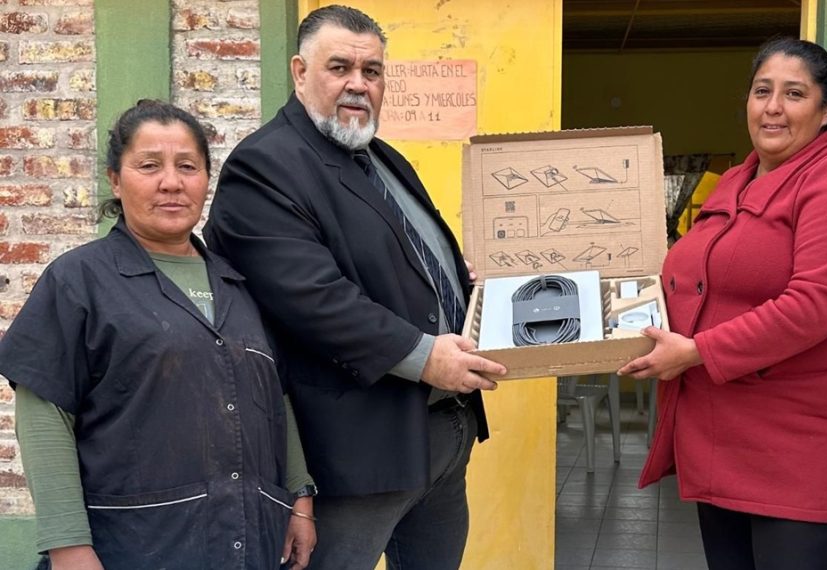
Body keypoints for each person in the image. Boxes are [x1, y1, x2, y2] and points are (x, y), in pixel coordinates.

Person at [203, 5, 507, 569]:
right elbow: (314, 298)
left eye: (372, 72)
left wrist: (451, 278)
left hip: (443, 435)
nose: (358, 85)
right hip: (353, 456)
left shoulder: (382, 157)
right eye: (339, 67)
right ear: (300, 73)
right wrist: (425, 357)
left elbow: (395, 259)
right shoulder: (264, 166)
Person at [0, 100, 316, 569]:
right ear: (115, 179)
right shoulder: (79, 280)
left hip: (248, 542)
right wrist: (68, 546)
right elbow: (44, 412)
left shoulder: (241, 285)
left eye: (187, 166)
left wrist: (299, 499)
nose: (171, 182)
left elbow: (276, 398)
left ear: (206, 179)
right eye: (149, 166)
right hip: (131, 547)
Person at [618, 37, 827, 569]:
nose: (773, 108)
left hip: (798, 433)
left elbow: (812, 304)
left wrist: (695, 352)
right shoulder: (735, 180)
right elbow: (692, 282)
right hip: (717, 427)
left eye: (794, 94)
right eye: (762, 91)